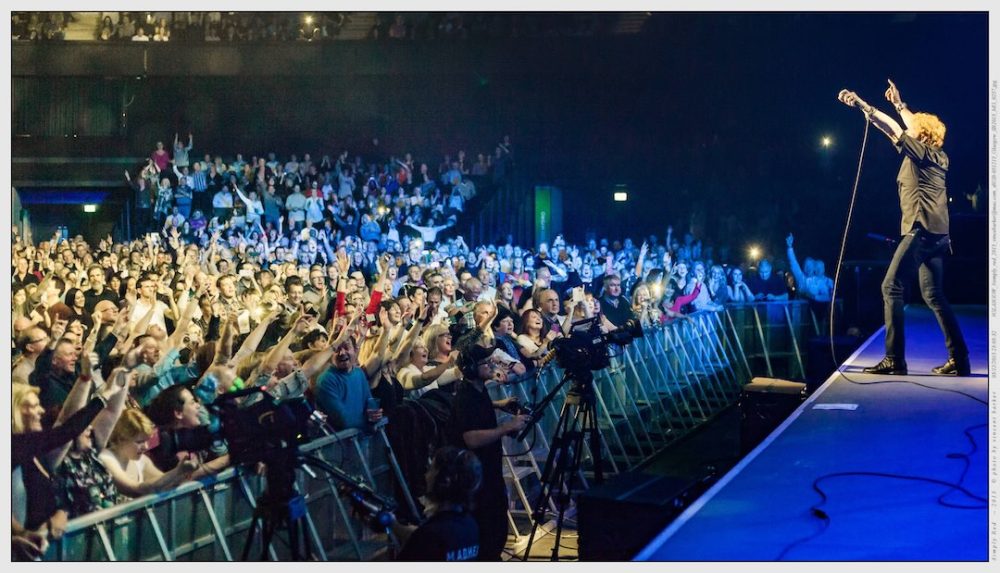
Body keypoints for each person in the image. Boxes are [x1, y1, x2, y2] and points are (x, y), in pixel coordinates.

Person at [839, 80, 969, 376]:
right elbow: (909, 123)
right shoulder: (938, 155)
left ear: (920, 134)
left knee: (891, 286)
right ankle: (959, 359)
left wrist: (864, 106)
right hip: (939, 235)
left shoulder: (919, 152)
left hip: (921, 230)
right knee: (934, 295)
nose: (909, 125)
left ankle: (894, 359)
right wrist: (899, 104)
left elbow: (893, 129)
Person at [449, 343, 529, 561]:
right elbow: (471, 438)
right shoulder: (465, 396)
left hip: (489, 470)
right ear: (471, 367)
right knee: (489, 528)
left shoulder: (478, 390)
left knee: (497, 519)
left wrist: (498, 404)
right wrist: (507, 427)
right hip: (476, 477)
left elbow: (479, 405)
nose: (490, 365)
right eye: (485, 363)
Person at [394, 447, 482, 561]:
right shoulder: (471, 526)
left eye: (431, 469)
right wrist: (393, 524)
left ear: (444, 480)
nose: (426, 475)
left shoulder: (431, 534)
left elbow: (426, 539)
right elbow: (439, 540)